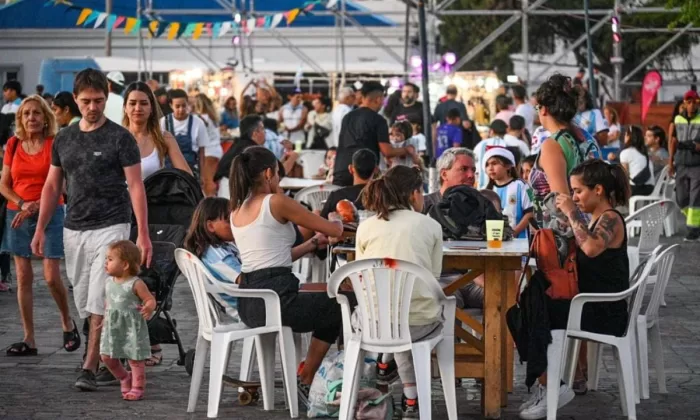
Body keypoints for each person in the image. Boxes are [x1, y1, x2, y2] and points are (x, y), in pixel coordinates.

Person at [30, 68, 152, 392]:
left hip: (113, 223)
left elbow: (136, 185)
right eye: (86, 101)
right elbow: (52, 185)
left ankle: (90, 365)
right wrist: (41, 227)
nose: (93, 107)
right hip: (75, 227)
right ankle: (106, 352)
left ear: (107, 97)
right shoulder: (64, 138)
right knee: (84, 298)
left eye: (98, 100)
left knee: (100, 293)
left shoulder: (120, 138)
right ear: (75, 99)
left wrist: (142, 233)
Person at [229, 146, 346, 405]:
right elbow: (334, 230)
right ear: (268, 173)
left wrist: (311, 244)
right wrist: (336, 219)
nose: (279, 180)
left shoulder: (237, 209)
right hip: (277, 300)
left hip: (250, 303)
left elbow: (272, 258)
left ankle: (308, 375)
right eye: (278, 174)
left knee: (328, 297)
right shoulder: (276, 202)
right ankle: (306, 377)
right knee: (339, 305)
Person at [355, 165, 443, 418]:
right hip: (418, 323)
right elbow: (434, 277)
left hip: (373, 324)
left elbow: (362, 277)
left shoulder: (366, 226)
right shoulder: (430, 226)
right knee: (407, 314)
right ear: (414, 194)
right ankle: (410, 397)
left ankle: (386, 363)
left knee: (391, 313)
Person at [0, 95, 79, 354]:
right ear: (20, 118)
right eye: (26, 114)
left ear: (46, 117)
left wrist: (37, 205)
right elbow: (4, 185)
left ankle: (67, 322)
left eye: (36, 113)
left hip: (51, 212)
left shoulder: (55, 143)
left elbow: (62, 184)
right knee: (23, 277)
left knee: (51, 277)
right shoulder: (13, 144)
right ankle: (29, 338)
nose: (31, 118)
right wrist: (23, 204)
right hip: (17, 214)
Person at [99, 240, 155, 401]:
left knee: (135, 358)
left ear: (124, 264)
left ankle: (138, 387)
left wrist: (148, 308)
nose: (106, 262)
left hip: (131, 327)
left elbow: (150, 299)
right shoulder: (108, 282)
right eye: (106, 259)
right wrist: (105, 318)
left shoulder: (135, 283)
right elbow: (109, 303)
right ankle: (124, 377)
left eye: (110, 259)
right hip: (112, 326)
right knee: (106, 356)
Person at [530, 74, 584, 229]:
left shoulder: (552, 145)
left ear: (544, 109)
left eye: (537, 108)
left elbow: (561, 201)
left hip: (557, 234)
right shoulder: (577, 138)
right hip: (577, 226)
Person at [333, 81, 413, 187]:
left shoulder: (347, 117)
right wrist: (407, 149)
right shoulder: (379, 120)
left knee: (342, 198)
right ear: (378, 99)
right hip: (363, 174)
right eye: (383, 99)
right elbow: (387, 151)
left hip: (341, 170)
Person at [183, 197, 242, 317]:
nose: (234, 224)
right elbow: (244, 279)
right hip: (247, 308)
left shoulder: (219, 248)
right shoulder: (217, 255)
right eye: (228, 221)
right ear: (210, 226)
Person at [122, 82, 191, 180]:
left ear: (151, 108)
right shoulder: (115, 139)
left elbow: (187, 176)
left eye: (144, 103)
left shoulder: (164, 137)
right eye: (132, 103)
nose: (138, 108)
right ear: (125, 107)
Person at [160, 89, 222, 194]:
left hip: (191, 170)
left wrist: (202, 175)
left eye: (184, 106)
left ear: (188, 104)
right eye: (177, 106)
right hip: (169, 171)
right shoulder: (164, 122)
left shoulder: (198, 123)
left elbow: (201, 152)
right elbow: (159, 150)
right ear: (171, 105)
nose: (181, 109)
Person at [215, 114, 298, 183]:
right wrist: (294, 156)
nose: (265, 132)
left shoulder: (238, 145)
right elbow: (278, 174)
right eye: (263, 129)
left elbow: (273, 167)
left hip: (225, 188)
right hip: (236, 191)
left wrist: (284, 158)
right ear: (255, 133)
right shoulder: (255, 150)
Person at [669, 89, 700, 241]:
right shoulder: (677, 119)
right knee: (681, 199)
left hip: (697, 165)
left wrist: (694, 145)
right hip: (680, 163)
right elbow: (673, 141)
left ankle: (693, 232)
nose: (692, 105)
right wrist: (670, 162)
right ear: (685, 103)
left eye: (695, 102)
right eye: (689, 102)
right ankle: (694, 223)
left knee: (695, 198)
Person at [483, 148, 534, 239]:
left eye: (494, 163)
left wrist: (514, 233)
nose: (490, 168)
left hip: (519, 241)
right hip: (494, 240)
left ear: (508, 166)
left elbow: (531, 213)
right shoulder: (487, 190)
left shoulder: (521, 185)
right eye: (487, 165)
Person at [320, 148, 377, 218]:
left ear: (350, 169)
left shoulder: (337, 196)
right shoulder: (382, 196)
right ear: (375, 170)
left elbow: (322, 220)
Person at [422, 147, 477, 213]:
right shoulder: (422, 205)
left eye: (473, 170)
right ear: (444, 174)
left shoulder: (480, 205)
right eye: (463, 169)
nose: (471, 175)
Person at [474, 119, 510, 189]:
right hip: (503, 187)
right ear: (506, 132)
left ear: (491, 131)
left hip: (480, 188)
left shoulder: (480, 144)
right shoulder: (507, 144)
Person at [620, 126, 655, 196]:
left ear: (629, 137)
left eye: (626, 135)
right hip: (650, 188)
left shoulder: (625, 152)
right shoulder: (645, 152)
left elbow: (624, 175)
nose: (624, 137)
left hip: (636, 188)